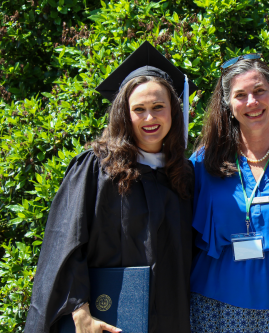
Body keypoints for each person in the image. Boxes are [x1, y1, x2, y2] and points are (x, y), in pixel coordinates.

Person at [25, 41, 197, 333]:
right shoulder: (97, 167)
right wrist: (79, 310)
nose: (149, 117)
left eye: (158, 107)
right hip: (105, 321)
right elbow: (65, 243)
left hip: (169, 318)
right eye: (138, 109)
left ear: (174, 111)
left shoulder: (182, 173)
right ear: (123, 114)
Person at [189, 55, 269, 332]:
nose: (252, 102)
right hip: (213, 306)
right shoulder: (203, 162)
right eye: (240, 95)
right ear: (228, 103)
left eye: (259, 91)